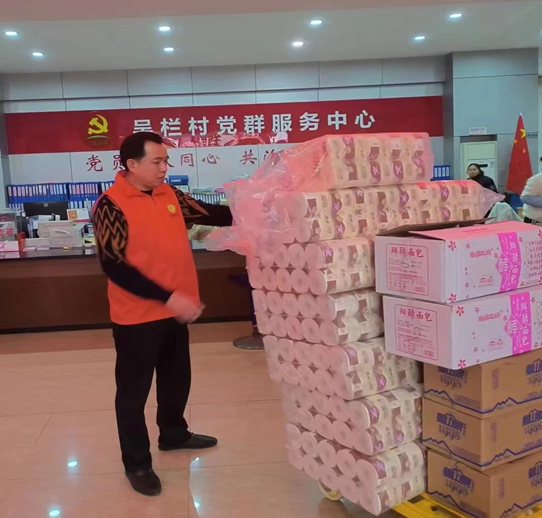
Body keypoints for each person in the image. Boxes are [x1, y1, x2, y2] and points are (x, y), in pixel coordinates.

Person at [92, 132, 232, 496]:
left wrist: (262, 207)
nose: (164, 168)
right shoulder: (110, 205)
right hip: (137, 316)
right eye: (156, 161)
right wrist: (167, 297)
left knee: (176, 377)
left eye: (166, 161)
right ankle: (137, 463)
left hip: (175, 310)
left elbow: (212, 213)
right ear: (131, 164)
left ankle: (173, 434)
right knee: (133, 393)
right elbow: (114, 266)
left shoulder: (170, 194)